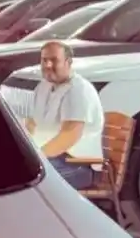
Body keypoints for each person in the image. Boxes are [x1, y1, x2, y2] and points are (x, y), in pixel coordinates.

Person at [25, 38, 105, 189]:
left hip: (78, 165)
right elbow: (31, 124)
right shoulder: (42, 87)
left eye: (54, 60)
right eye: (44, 60)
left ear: (68, 62)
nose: (48, 65)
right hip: (50, 157)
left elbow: (69, 136)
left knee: (25, 179)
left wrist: (36, 157)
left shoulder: (78, 89)